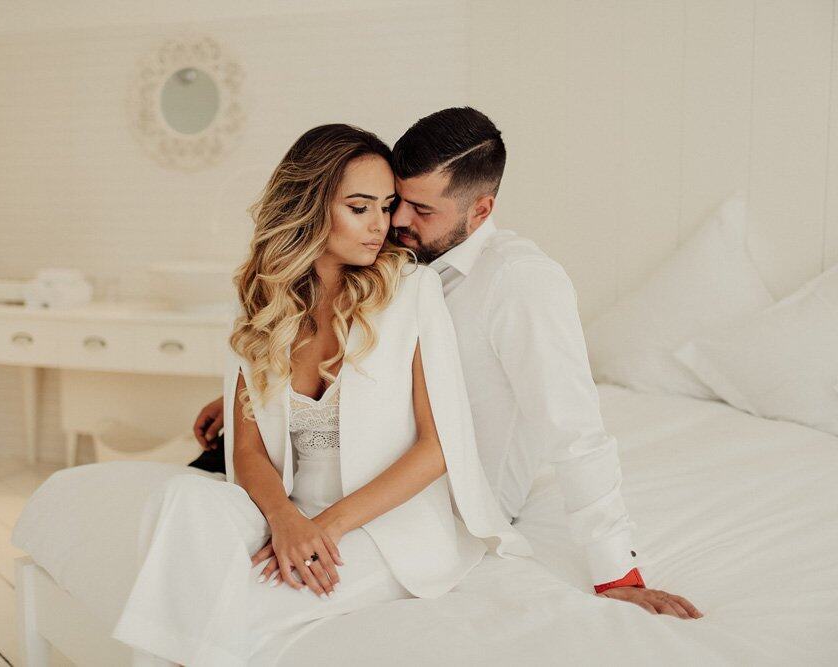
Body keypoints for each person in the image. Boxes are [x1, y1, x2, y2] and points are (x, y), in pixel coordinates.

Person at [193, 107, 702, 620]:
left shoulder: (521, 283)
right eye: (396, 201)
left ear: (479, 211)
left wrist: (617, 572)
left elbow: (574, 429)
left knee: (240, 600)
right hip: (323, 463)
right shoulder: (389, 259)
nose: (395, 222)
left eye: (420, 210)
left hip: (441, 499)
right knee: (191, 532)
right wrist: (263, 393)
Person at [111, 124, 529, 666]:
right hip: (291, 508)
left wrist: (321, 530)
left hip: (382, 528)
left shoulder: (410, 291)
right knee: (181, 499)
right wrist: (286, 521)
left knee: (239, 604)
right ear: (310, 207)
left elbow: (437, 447)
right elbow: (248, 449)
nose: (383, 225)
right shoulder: (262, 304)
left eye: (387, 206)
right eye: (361, 207)